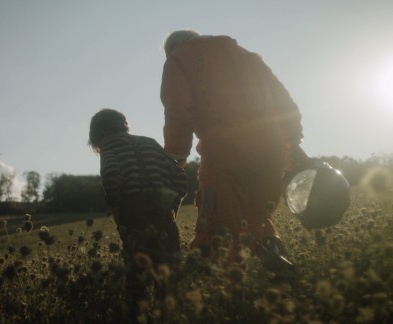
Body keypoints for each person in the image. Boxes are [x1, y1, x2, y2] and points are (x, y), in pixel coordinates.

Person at [159, 30, 311, 273]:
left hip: (225, 150)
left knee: (218, 221)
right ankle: (274, 256)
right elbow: (286, 104)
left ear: (172, 49)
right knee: (258, 216)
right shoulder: (250, 58)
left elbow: (178, 111)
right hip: (271, 150)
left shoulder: (179, 59)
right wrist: (291, 142)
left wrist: (175, 158)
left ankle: (217, 282)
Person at [88, 108, 188, 314]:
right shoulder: (150, 143)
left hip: (134, 214)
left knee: (136, 275)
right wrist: (172, 210)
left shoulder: (109, 148)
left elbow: (111, 177)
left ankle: (137, 313)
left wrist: (120, 220)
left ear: (101, 134)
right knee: (169, 272)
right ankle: (171, 312)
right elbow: (179, 177)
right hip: (163, 213)